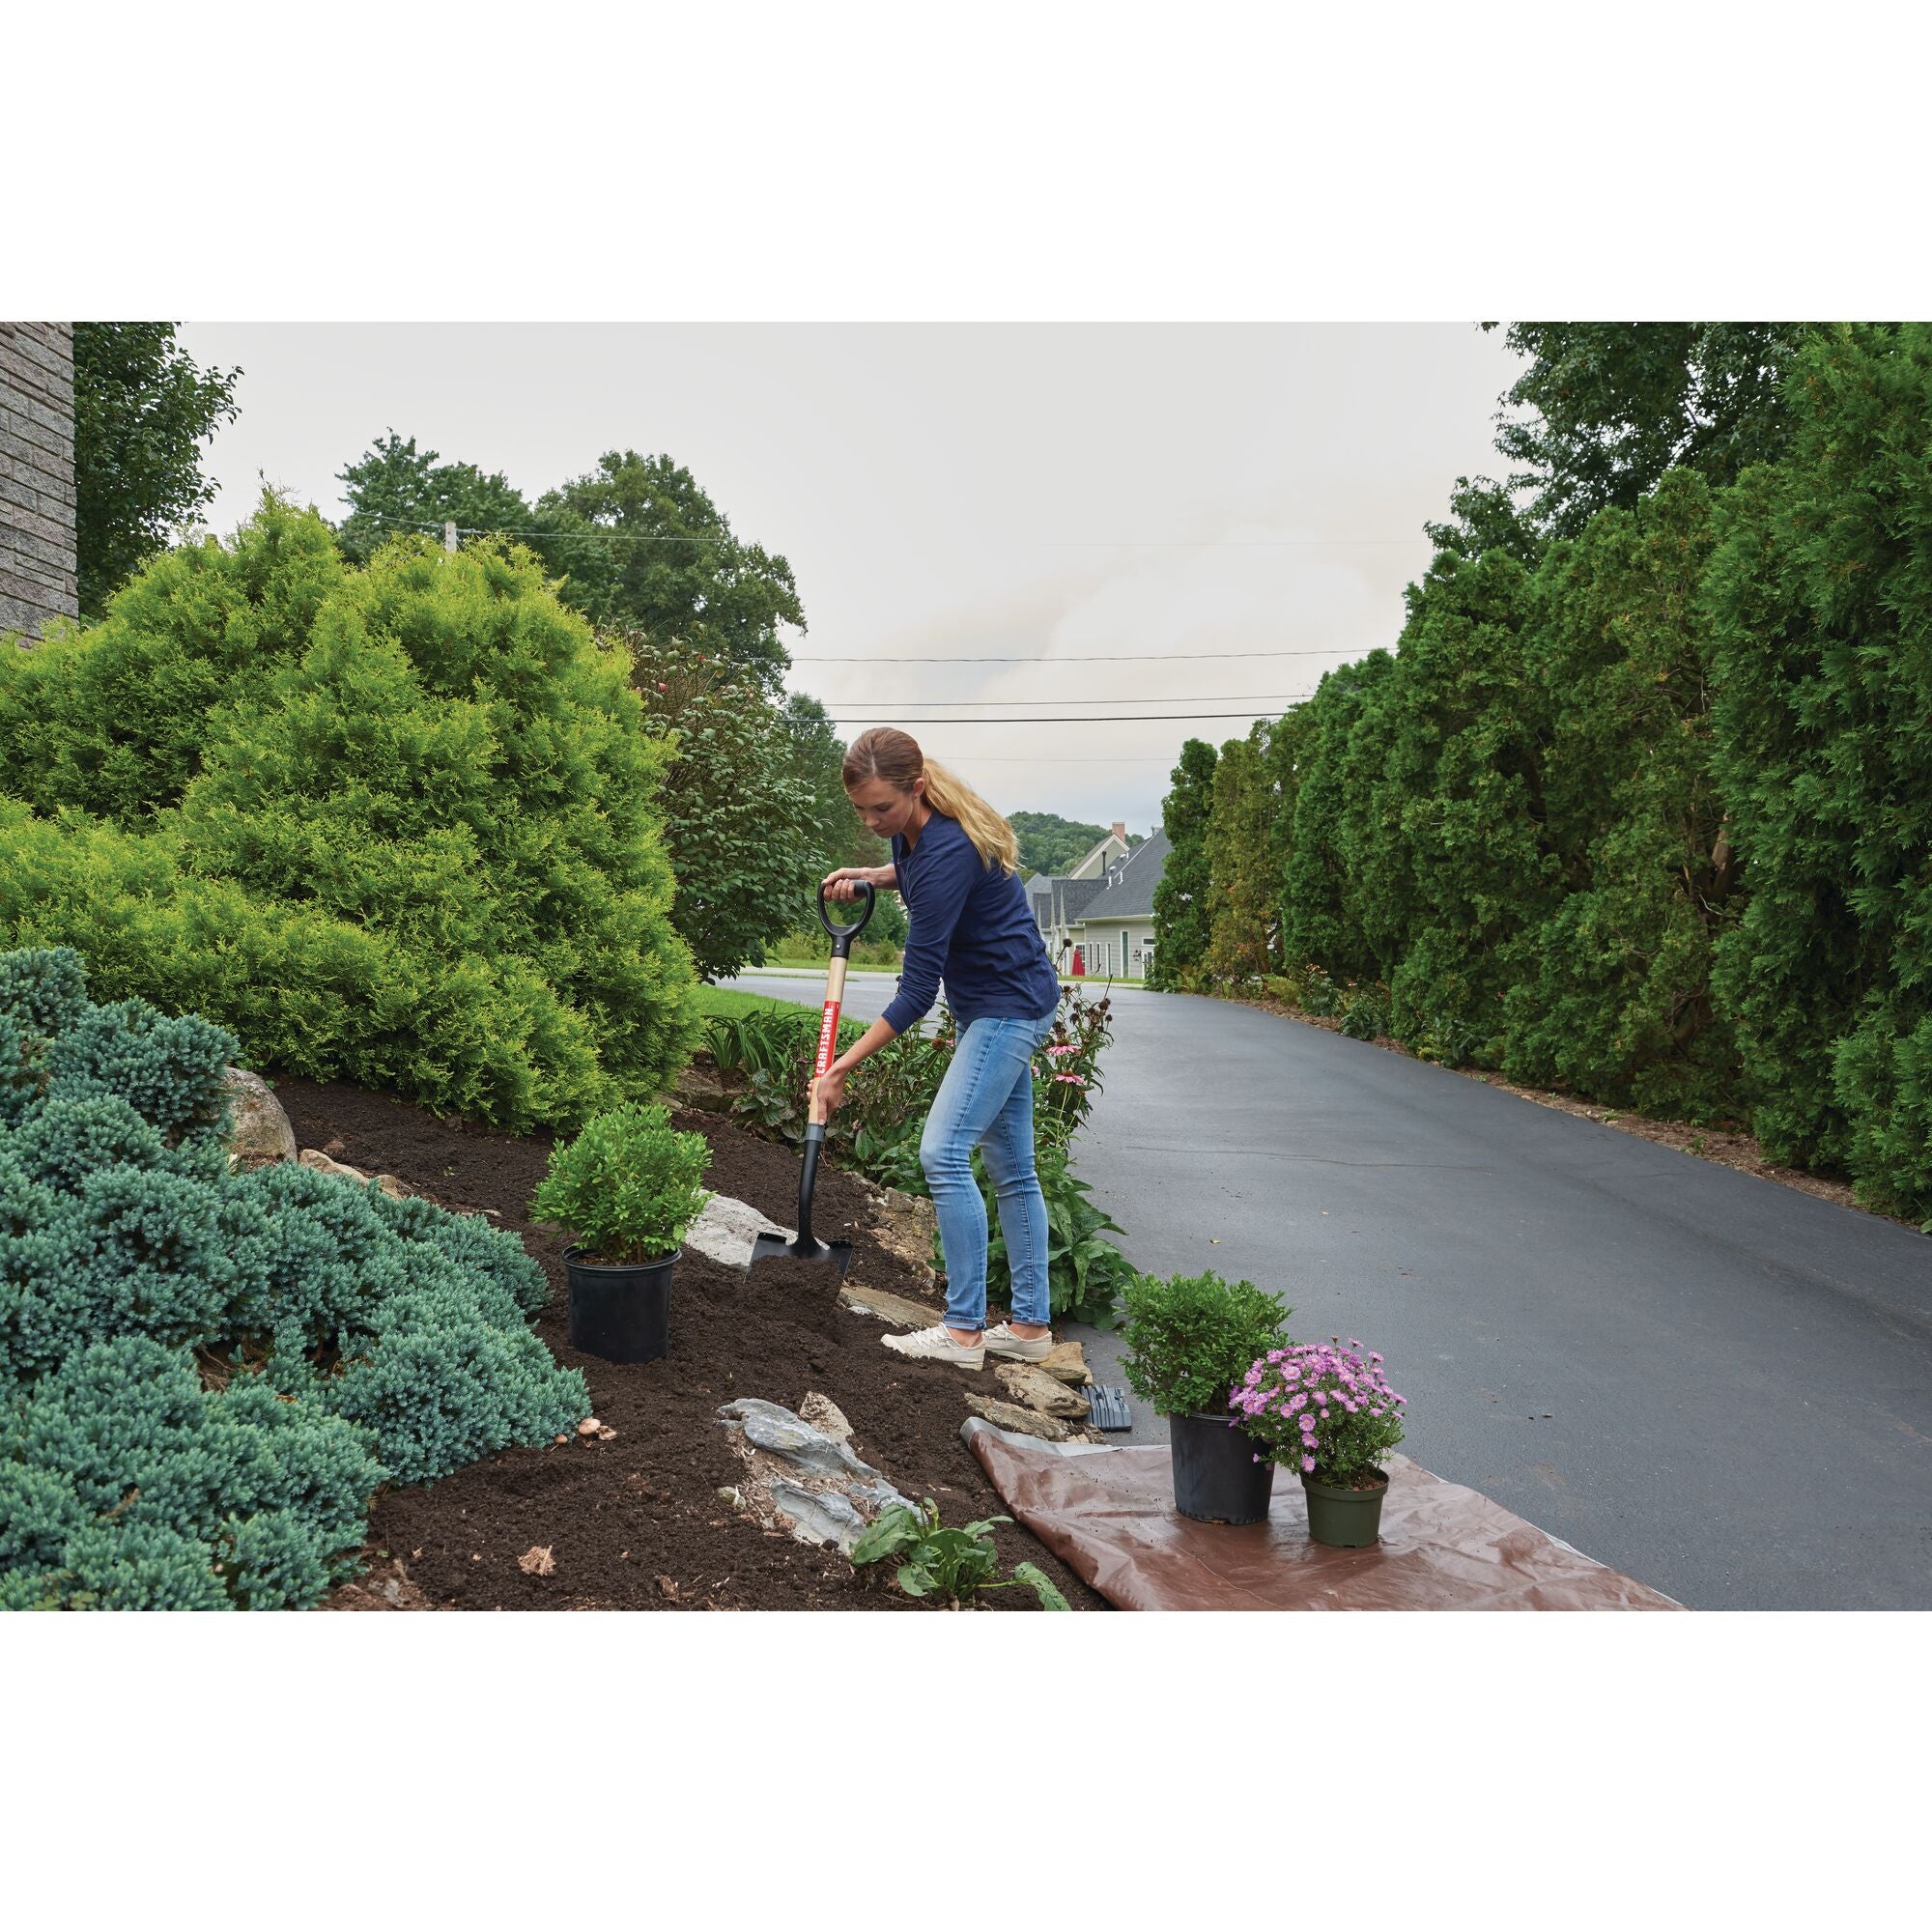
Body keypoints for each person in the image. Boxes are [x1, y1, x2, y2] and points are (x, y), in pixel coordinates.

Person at [812, 726, 1063, 1371]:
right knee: (1013, 1167)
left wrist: (839, 1066)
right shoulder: (916, 831)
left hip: (1006, 1009)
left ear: (916, 788)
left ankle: (962, 1332)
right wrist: (875, 875)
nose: (872, 821)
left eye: (882, 810)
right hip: (1005, 1002)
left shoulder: (949, 846)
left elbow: (917, 995)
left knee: (942, 1152)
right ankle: (1030, 1329)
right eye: (862, 810)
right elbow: (914, 865)